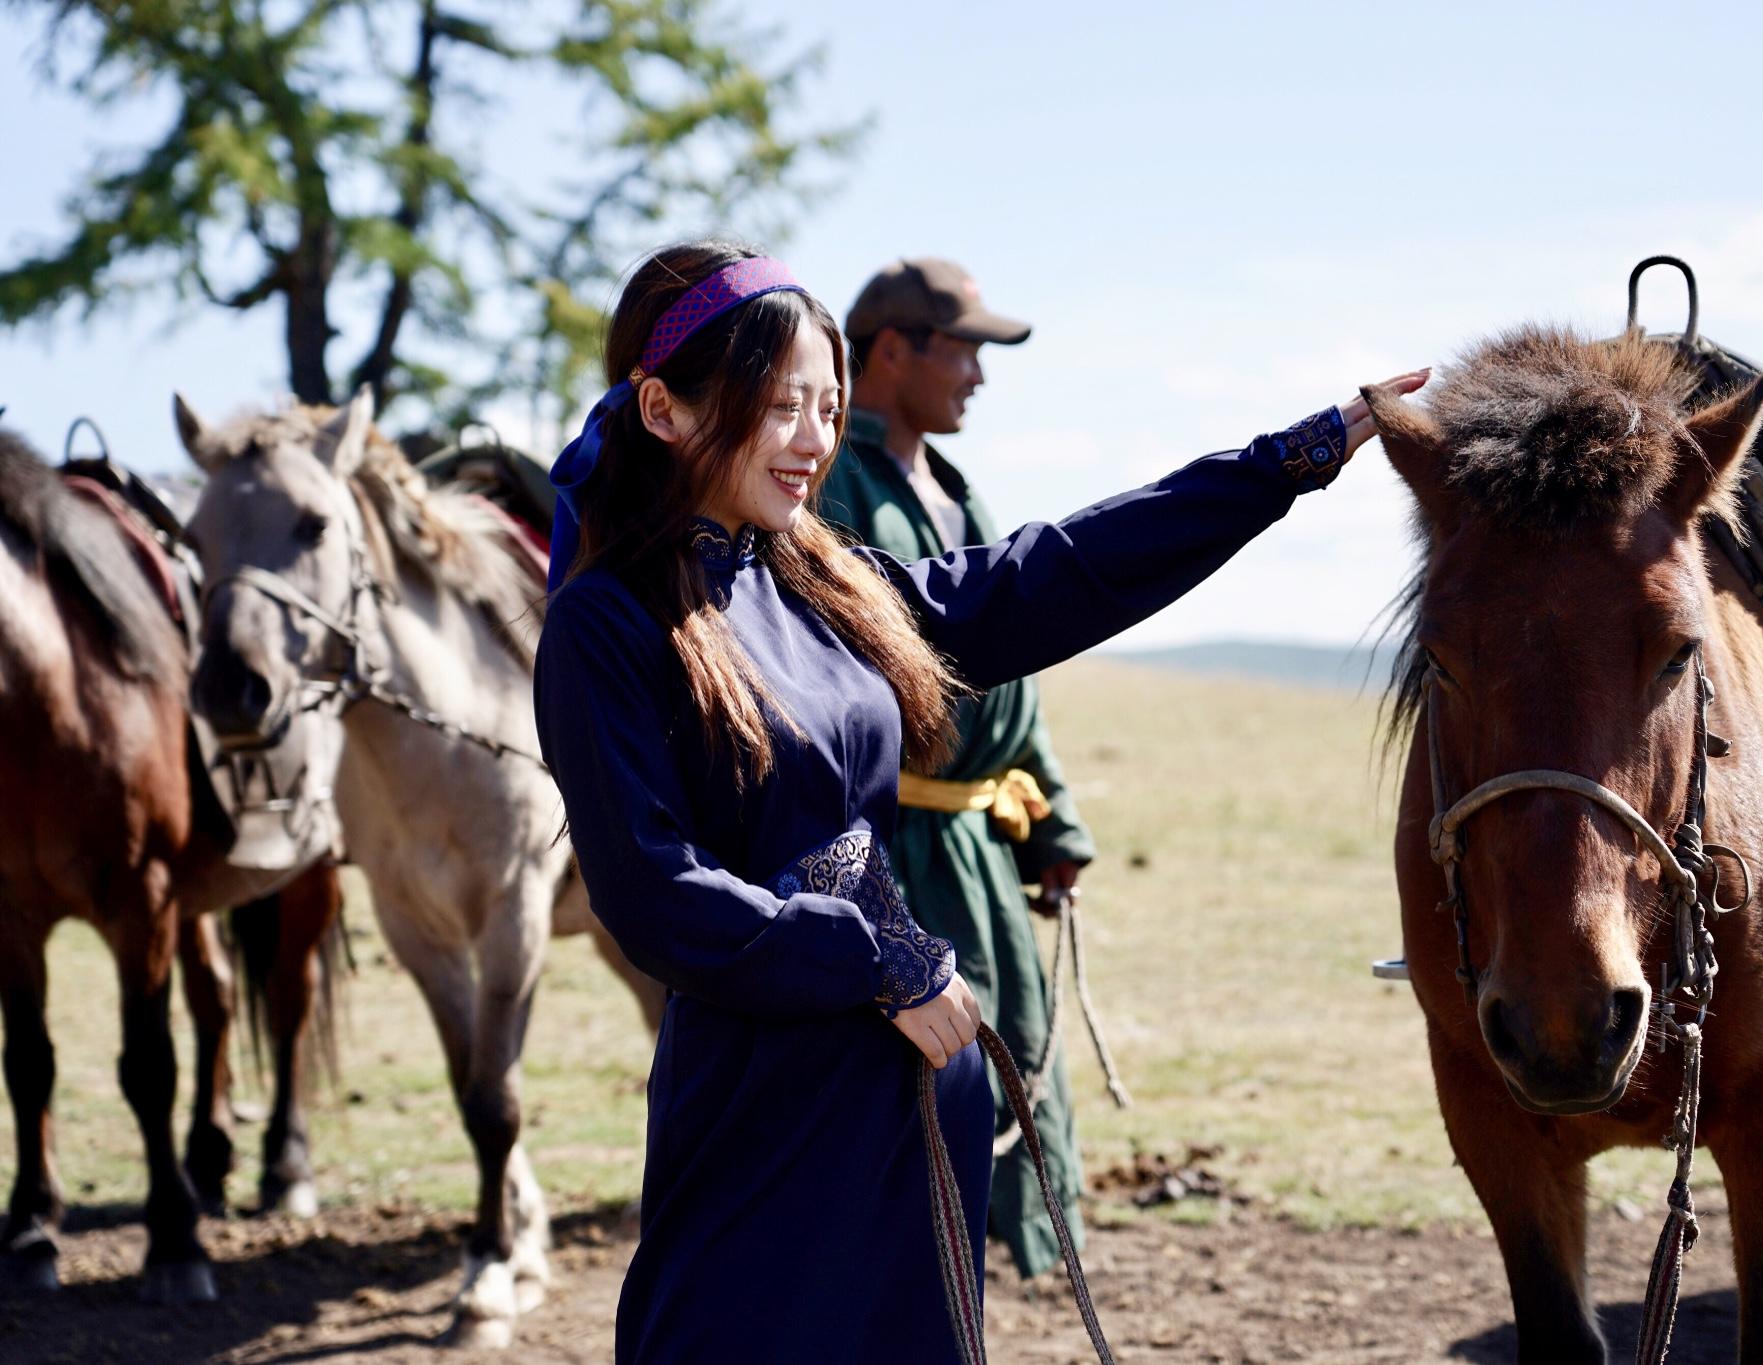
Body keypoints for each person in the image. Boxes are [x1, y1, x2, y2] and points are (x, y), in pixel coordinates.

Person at [534, 239, 1422, 1363]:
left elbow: (1045, 574)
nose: (813, 441)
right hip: (763, 1098)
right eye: (778, 407)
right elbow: (651, 893)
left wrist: (1285, 463)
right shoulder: (603, 624)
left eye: (825, 405)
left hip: (910, 1074)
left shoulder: (825, 577)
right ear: (662, 409)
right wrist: (875, 963)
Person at [818, 257, 1096, 1279]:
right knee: (909, 1094)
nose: (978, 374)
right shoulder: (829, 487)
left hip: (978, 844)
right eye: (964, 348)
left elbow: (1009, 670)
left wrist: (1051, 821)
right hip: (887, 849)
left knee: (1006, 1057)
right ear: (890, 350)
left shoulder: (956, 484)